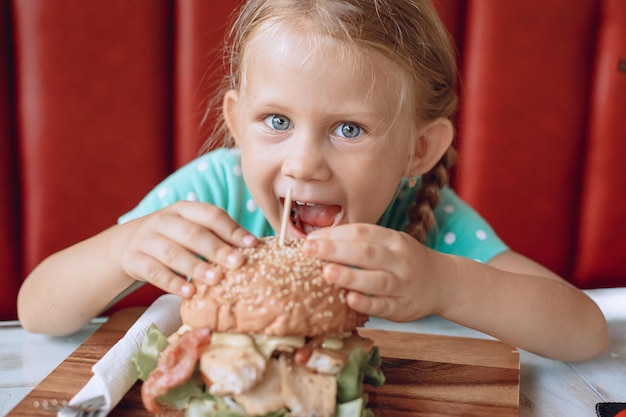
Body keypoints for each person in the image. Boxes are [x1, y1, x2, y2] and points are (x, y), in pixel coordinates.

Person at [17, 0, 607, 361]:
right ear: (235, 124)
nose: (304, 164)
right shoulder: (211, 195)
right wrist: (125, 249)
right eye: (276, 121)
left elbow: (584, 333)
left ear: (418, 149)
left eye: (349, 129)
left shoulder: (428, 224)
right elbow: (38, 310)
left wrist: (447, 285)